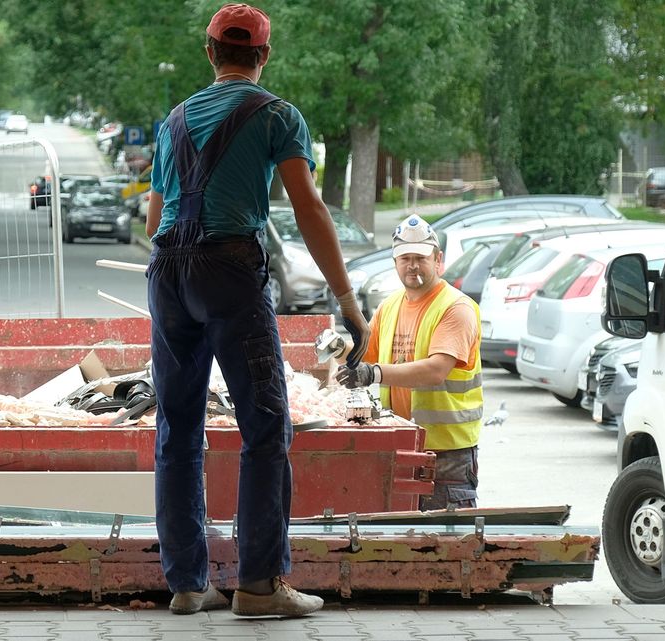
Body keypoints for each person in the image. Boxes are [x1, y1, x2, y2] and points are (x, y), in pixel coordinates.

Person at [144, 3, 369, 618]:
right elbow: (309, 207)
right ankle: (260, 587)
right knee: (265, 428)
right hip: (230, 272)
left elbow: (153, 217)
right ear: (263, 55)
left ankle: (188, 585)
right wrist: (347, 302)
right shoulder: (277, 116)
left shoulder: (173, 121)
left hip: (168, 272)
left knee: (177, 428)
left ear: (210, 52)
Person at [335, 214, 484, 511]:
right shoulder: (390, 306)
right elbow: (367, 356)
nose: (412, 265)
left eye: (420, 258)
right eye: (405, 258)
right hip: (401, 442)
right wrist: (339, 348)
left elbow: (435, 370)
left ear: (438, 260)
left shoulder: (456, 308)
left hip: (446, 455)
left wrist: (372, 374)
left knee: (447, 537)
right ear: (395, 262)